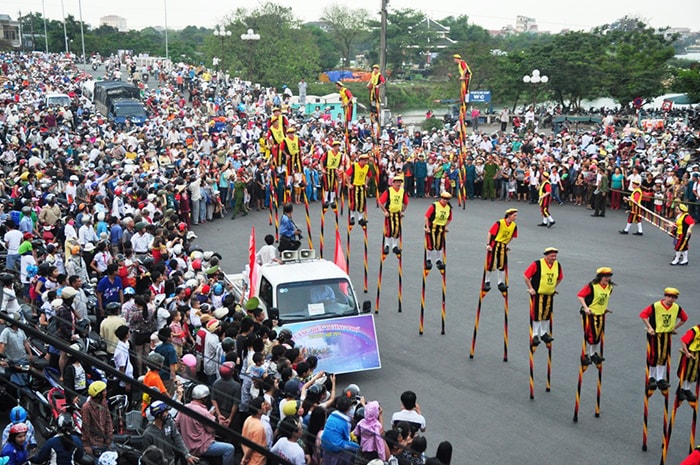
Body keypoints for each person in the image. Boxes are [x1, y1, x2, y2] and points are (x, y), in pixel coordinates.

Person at [640, 287, 688, 391]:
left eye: (673, 297)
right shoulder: (656, 306)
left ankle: (660, 378)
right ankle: (651, 377)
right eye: (669, 296)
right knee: (654, 355)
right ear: (665, 296)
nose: (671, 299)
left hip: (666, 334)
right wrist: (649, 327)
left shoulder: (676, 308)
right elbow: (643, 315)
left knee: (663, 356)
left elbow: (684, 318)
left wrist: (674, 327)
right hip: (655, 334)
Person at [176, 384, 235, 465]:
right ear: (204, 398)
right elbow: (211, 429)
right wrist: (211, 416)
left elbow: (176, 424)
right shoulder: (204, 412)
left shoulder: (184, 408)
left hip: (187, 445)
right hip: (201, 446)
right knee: (229, 449)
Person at [523, 247, 563, 346]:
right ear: (546, 255)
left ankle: (544, 333)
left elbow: (560, 278)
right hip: (537, 293)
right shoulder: (537, 264)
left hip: (549, 294)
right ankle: (535, 334)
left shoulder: (557, 265)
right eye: (551, 256)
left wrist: (553, 287)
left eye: (555, 256)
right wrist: (531, 288)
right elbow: (526, 276)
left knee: (547, 313)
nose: (553, 258)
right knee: (537, 314)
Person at [577, 267, 615, 366]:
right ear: (600, 277)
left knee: (598, 336)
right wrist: (586, 308)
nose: (607, 279)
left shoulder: (609, 287)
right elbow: (580, 296)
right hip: (590, 314)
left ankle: (593, 353)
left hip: (600, 314)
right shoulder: (592, 286)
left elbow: (604, 299)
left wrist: (604, 308)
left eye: (609, 276)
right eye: (605, 276)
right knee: (590, 335)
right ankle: (584, 355)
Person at [142, 401, 199, 465]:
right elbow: (147, 456)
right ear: (159, 415)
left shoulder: (169, 423)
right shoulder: (148, 434)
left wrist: (187, 455)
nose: (168, 413)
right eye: (166, 412)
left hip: (171, 461)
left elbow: (177, 437)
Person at [484, 209, 518, 293]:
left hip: (503, 245)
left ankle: (500, 282)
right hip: (494, 244)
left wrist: (506, 244)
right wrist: (488, 244)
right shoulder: (499, 223)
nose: (515, 217)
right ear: (509, 215)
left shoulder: (514, 225)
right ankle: (486, 281)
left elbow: (512, 236)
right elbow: (490, 233)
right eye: (514, 215)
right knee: (491, 263)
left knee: (502, 264)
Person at [321, 395, 360, 465]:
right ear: (349, 408)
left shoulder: (331, 415)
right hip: (336, 446)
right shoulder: (346, 422)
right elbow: (347, 439)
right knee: (357, 447)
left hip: (324, 442)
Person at [80, 381, 113, 458]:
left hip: (106, 441)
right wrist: (86, 445)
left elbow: (108, 421)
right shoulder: (86, 407)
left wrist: (109, 438)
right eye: (104, 391)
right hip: (94, 443)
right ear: (98, 394)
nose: (106, 392)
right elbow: (86, 427)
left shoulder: (103, 403)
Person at [379, 174, 409, 255]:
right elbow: (381, 202)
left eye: (400, 182)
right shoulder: (389, 191)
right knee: (389, 229)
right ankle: (387, 245)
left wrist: (403, 211)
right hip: (389, 212)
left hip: (397, 213)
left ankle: (394, 246)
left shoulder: (402, 191)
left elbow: (406, 202)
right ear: (393, 183)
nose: (399, 184)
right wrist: (385, 211)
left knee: (396, 230)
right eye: (397, 182)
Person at [423, 192, 453, 271]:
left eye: (447, 199)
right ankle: (428, 260)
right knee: (430, 244)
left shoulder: (448, 208)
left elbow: (449, 218)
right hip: (432, 226)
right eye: (444, 199)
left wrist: (446, 226)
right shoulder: (434, 205)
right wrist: (427, 227)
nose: (445, 201)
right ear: (441, 198)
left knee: (439, 244)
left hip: (441, 228)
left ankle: (438, 260)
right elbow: (426, 216)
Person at [241, 397, 269, 465]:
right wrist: (245, 459)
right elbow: (252, 447)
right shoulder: (259, 428)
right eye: (263, 405)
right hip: (256, 461)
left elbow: (243, 438)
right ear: (259, 411)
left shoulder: (248, 419)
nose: (266, 406)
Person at [346, 154, 371, 227]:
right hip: (354, 186)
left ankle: (360, 219)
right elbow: (347, 174)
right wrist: (349, 184)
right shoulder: (354, 166)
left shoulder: (367, 167)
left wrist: (366, 184)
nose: (365, 161)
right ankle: (352, 217)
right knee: (354, 202)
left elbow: (369, 176)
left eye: (366, 160)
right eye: (364, 160)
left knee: (362, 202)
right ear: (360, 160)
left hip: (362, 186)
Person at [320, 141, 344, 209]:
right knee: (327, 185)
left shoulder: (340, 154)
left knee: (333, 185)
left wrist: (338, 170)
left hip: (334, 170)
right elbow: (321, 161)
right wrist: (322, 169)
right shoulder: (328, 153)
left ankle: (331, 200)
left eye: (338, 146)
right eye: (336, 146)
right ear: (333, 146)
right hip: (328, 169)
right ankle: (326, 200)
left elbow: (340, 164)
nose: (338, 147)